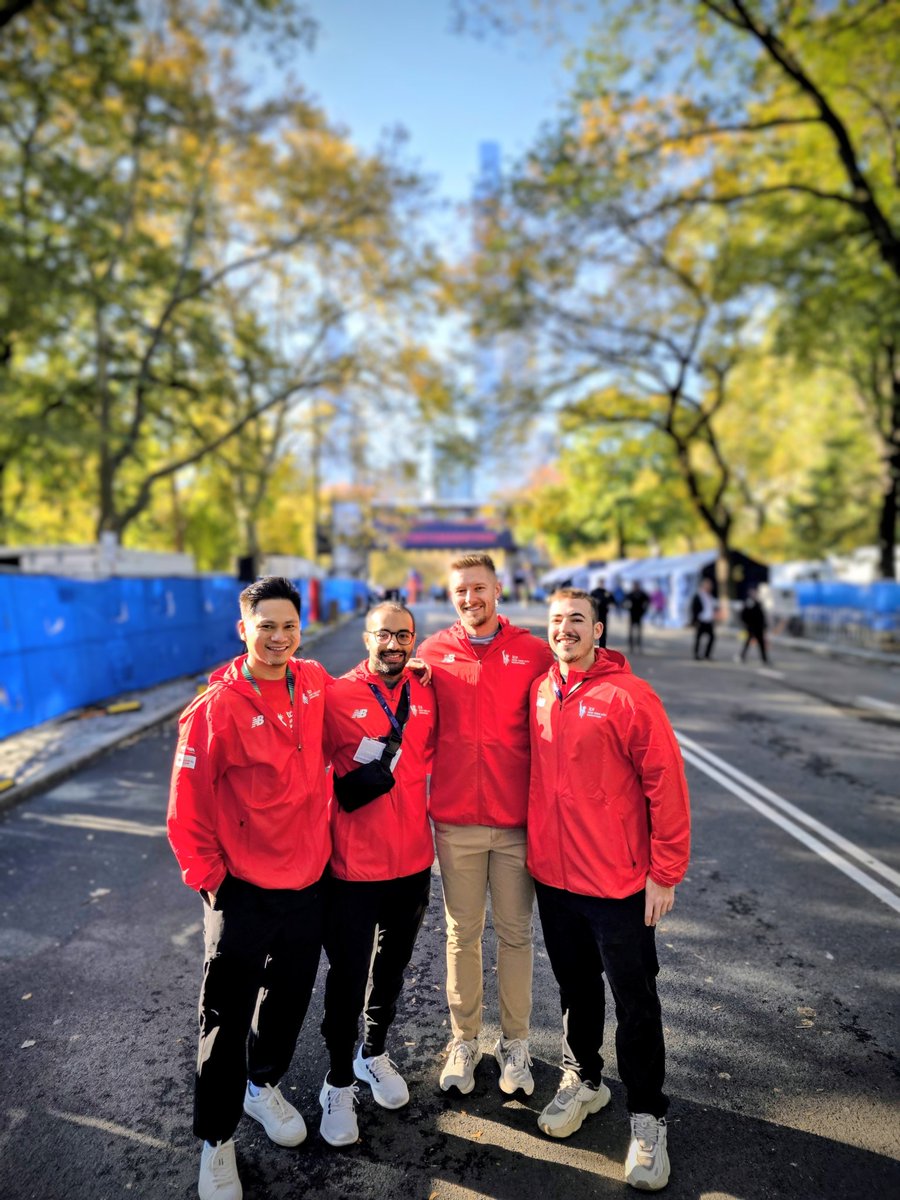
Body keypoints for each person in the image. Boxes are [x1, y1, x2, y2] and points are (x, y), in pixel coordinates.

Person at [168, 576, 331, 1200]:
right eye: (267, 626)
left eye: (289, 626)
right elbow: (185, 810)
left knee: (287, 1002)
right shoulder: (214, 708)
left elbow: (364, 691)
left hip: (308, 884)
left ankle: (262, 1087)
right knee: (224, 1017)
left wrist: (412, 669)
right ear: (244, 630)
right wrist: (213, 883)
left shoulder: (312, 680)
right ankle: (216, 1138)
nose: (279, 638)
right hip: (242, 892)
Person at [528, 589, 690, 1192]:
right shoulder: (541, 690)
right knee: (575, 988)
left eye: (577, 619)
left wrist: (664, 872)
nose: (565, 629)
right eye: (556, 620)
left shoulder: (630, 696)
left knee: (635, 1001)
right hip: (555, 878)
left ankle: (648, 1116)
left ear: (598, 630)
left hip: (617, 882)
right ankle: (585, 1080)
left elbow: (666, 783)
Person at [418, 553, 555, 1098]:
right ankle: (465, 1040)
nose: (470, 598)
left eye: (479, 587)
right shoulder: (431, 653)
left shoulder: (533, 652)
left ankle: (515, 1043)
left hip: (517, 821)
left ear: (498, 590)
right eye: (461, 590)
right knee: (462, 935)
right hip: (457, 823)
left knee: (517, 935)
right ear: (451, 596)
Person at [317, 602, 436, 1147]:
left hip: (412, 862)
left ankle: (373, 1052)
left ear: (414, 640)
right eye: (384, 634)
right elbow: (304, 764)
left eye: (404, 635)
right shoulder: (336, 695)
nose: (394, 644)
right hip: (353, 866)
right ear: (366, 638)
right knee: (347, 976)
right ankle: (338, 1080)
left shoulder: (426, 690)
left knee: (392, 969)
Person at [690, 578, 719, 661]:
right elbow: (694, 608)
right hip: (701, 620)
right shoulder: (698, 596)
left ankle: (707, 654)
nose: (709, 587)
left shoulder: (710, 596)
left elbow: (713, 607)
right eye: (707, 585)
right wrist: (694, 620)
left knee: (712, 637)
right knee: (698, 638)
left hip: (709, 620)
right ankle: (696, 654)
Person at [739, 586, 769, 663]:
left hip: (758, 626)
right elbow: (744, 614)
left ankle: (764, 659)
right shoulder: (748, 602)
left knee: (761, 642)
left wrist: (764, 625)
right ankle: (742, 656)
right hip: (751, 626)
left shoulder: (758, 602)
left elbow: (761, 615)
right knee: (748, 641)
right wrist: (747, 623)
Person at [589, 578, 616, 649]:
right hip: (595, 615)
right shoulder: (594, 592)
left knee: (603, 631)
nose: (601, 584)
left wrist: (611, 604)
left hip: (604, 614)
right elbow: (589, 602)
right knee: (593, 630)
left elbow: (613, 602)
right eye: (600, 582)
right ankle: (591, 646)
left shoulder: (607, 592)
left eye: (603, 583)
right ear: (598, 583)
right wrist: (595, 602)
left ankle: (602, 647)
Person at [624, 581, 650, 653]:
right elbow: (624, 602)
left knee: (639, 631)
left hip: (639, 615)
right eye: (635, 586)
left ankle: (638, 645)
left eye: (637, 586)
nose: (636, 587)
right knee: (631, 631)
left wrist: (644, 610)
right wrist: (628, 608)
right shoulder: (630, 594)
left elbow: (648, 601)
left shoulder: (642, 594)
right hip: (632, 615)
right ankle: (631, 646)